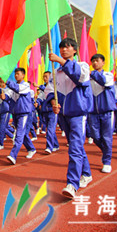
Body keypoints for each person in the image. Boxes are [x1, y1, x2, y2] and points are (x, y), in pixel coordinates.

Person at [46, 38, 94, 199]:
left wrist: (60, 60)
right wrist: (53, 102)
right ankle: (86, 173)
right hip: (63, 114)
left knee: (74, 147)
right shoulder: (56, 72)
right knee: (76, 145)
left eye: (68, 47)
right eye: (62, 48)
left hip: (78, 113)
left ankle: (72, 184)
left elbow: (79, 77)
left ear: (75, 50)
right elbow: (49, 89)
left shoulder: (83, 66)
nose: (64, 50)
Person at [88, 54, 117, 173]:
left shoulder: (108, 75)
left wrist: (92, 73)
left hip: (107, 111)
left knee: (107, 137)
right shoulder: (89, 77)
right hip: (93, 112)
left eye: (97, 61)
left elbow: (103, 81)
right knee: (95, 137)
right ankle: (106, 151)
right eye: (93, 61)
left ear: (103, 62)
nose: (95, 63)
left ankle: (106, 161)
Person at [5, 68, 37, 163]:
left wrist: (7, 82)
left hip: (24, 113)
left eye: (18, 74)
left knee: (19, 134)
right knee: (22, 134)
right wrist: (4, 96)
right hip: (15, 113)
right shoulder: (13, 86)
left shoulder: (25, 85)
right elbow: (9, 95)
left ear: (23, 75)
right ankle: (31, 149)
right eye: (15, 74)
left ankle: (13, 155)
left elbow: (16, 89)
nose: (16, 76)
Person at [39, 71, 59, 154]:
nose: (45, 78)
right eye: (44, 77)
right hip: (45, 111)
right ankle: (56, 145)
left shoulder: (54, 87)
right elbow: (41, 97)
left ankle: (49, 147)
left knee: (50, 129)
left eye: (46, 77)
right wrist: (37, 102)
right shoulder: (44, 88)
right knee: (50, 129)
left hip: (52, 111)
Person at [0, 77, 14, 150]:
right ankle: (12, 136)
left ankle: (1, 144)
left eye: (2, 82)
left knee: (1, 128)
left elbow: (4, 97)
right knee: (3, 127)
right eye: (0, 82)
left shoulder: (9, 90)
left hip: (6, 111)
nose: (1, 83)